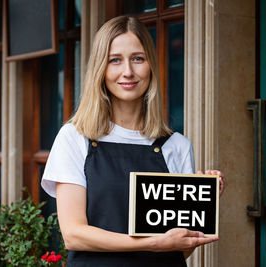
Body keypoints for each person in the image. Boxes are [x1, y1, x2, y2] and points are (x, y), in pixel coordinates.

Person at [41, 15, 225, 266]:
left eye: (138, 59)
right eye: (114, 60)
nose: (128, 72)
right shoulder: (75, 137)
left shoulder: (178, 145)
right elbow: (74, 235)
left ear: (151, 65)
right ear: (100, 69)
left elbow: (179, 249)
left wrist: (203, 201)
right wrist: (151, 243)